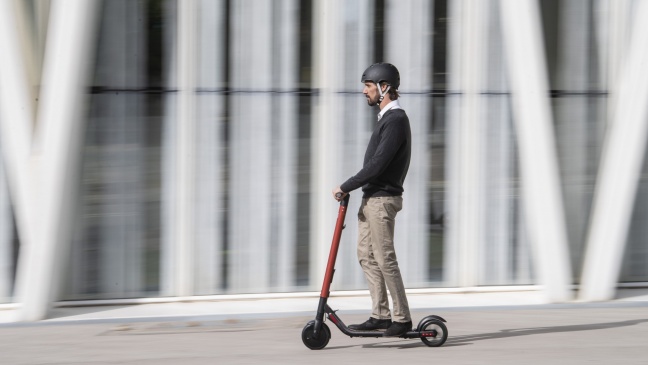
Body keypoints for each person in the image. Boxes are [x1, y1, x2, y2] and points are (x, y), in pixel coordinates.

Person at [332, 62, 412, 337]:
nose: (364, 91)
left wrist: (346, 185)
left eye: (368, 86)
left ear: (384, 87)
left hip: (382, 200)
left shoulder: (396, 120)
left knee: (384, 257)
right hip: (371, 198)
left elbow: (377, 165)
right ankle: (380, 315)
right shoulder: (385, 119)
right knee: (366, 255)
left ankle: (402, 318)